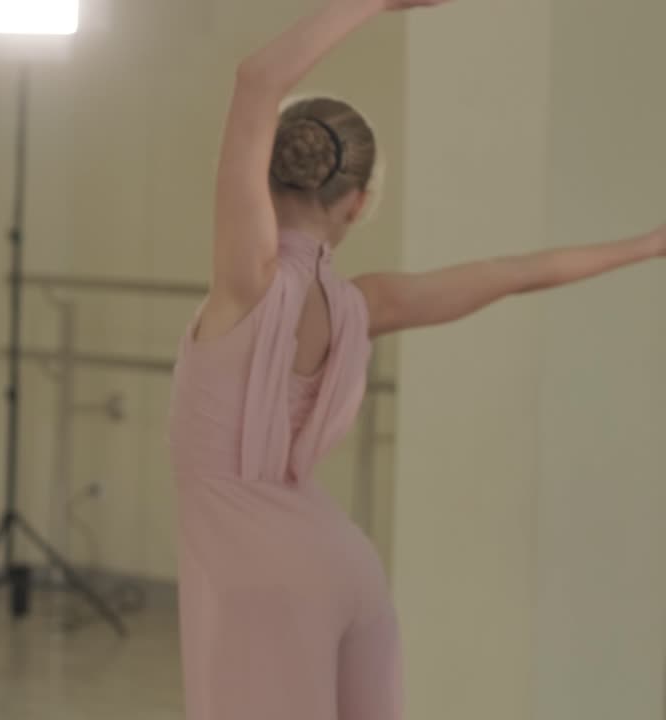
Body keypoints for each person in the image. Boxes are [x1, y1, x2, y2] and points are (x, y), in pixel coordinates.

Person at [167, 0, 665, 718]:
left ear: (266, 179)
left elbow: (255, 79)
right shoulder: (365, 305)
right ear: (358, 203)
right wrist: (649, 245)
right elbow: (515, 271)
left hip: (257, 581)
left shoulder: (247, 281)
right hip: (343, 564)